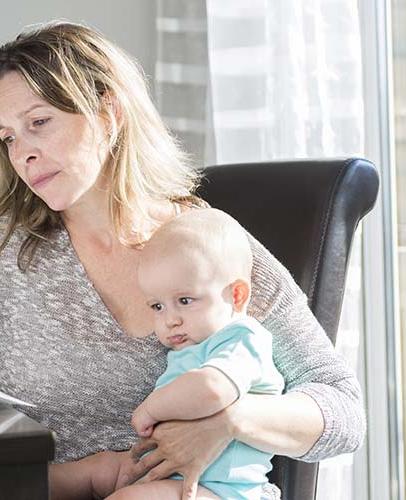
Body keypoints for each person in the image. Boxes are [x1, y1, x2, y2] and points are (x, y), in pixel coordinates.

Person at [0, 21, 365, 500]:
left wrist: (230, 419)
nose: (23, 153)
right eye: (8, 137)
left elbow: (342, 410)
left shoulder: (210, 246)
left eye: (39, 124)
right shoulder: (1, 247)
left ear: (107, 114)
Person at [50, 208, 284, 500]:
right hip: (166, 473)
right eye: (157, 307)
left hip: (219, 492)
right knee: (89, 471)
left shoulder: (241, 338)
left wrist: (151, 408)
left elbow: (211, 390)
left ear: (236, 295)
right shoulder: (190, 345)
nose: (169, 320)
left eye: (184, 300)